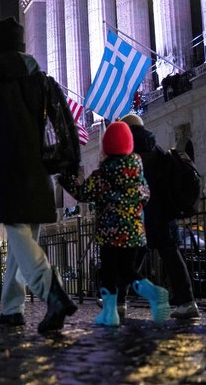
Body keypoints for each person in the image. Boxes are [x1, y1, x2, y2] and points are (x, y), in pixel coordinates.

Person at [0, 16, 77, 333]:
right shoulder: (39, 79)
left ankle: (53, 292)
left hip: (4, 170)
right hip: (37, 169)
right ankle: (12, 308)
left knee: (21, 240)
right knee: (24, 242)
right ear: (22, 47)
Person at [59, 122, 171, 326]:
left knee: (110, 273)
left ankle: (114, 312)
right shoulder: (137, 172)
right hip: (134, 233)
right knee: (127, 271)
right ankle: (150, 294)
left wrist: (66, 179)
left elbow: (83, 193)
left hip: (109, 233)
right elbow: (145, 195)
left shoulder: (103, 174)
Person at [120, 114, 201, 319]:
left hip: (144, 214)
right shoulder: (156, 148)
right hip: (163, 213)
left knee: (132, 258)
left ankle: (118, 301)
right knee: (169, 255)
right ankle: (186, 301)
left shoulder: (130, 149)